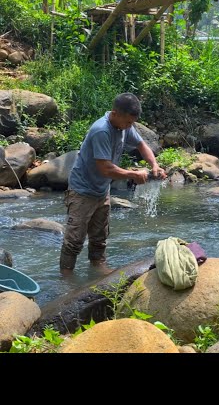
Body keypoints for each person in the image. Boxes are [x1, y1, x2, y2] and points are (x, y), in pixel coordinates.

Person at [60, 92, 167, 272]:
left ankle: (99, 267)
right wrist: (133, 175)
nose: (129, 126)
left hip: (102, 190)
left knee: (100, 237)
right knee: (75, 240)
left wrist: (154, 165)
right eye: (128, 122)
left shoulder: (124, 126)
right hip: (82, 191)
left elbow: (141, 145)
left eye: (132, 123)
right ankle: (66, 277)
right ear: (115, 113)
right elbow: (106, 169)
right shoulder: (101, 130)